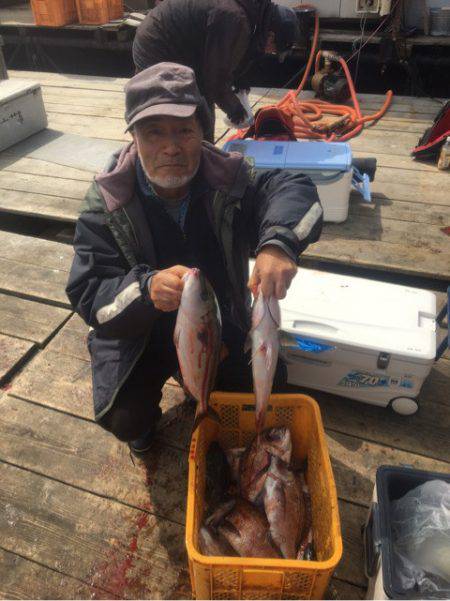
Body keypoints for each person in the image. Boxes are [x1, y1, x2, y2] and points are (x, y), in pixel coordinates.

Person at [66, 62, 322, 454]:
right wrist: (146, 288)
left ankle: (199, 396)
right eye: (154, 133)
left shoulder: (230, 177)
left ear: (203, 131)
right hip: (138, 332)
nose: (171, 147)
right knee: (124, 415)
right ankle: (147, 424)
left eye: (184, 130)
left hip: (214, 324)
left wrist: (277, 243)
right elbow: (88, 291)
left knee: (269, 382)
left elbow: (291, 188)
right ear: (134, 137)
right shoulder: (105, 205)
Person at [132, 0, 300, 141]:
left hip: (180, 47)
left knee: (201, 111)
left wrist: (238, 81)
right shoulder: (235, 18)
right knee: (185, 114)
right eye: (273, 49)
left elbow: (226, 57)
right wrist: (234, 108)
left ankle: (202, 155)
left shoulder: (249, 14)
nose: (269, 51)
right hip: (158, 45)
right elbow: (215, 78)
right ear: (271, 35)